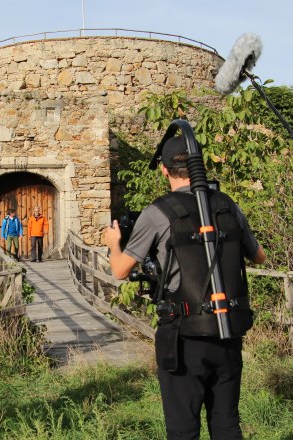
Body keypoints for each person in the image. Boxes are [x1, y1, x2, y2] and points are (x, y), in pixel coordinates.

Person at [104, 137, 266, 439]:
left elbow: (120, 270)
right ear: (199, 166)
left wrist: (114, 243)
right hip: (227, 329)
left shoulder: (157, 213)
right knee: (227, 422)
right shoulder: (227, 205)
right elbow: (258, 255)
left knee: (182, 428)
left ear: (165, 170)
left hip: (183, 336)